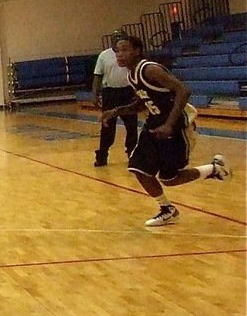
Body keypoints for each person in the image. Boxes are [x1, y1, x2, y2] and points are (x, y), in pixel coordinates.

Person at [101, 34, 232, 226]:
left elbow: (183, 90)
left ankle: (214, 168)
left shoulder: (150, 69)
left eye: (124, 50)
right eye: (117, 51)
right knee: (139, 168)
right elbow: (143, 102)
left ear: (137, 51)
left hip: (176, 126)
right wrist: (116, 111)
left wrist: (169, 124)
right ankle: (167, 209)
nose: (120, 55)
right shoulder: (132, 75)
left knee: (169, 179)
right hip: (154, 125)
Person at [92, 33, 138, 167]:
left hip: (127, 92)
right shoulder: (104, 55)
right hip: (110, 93)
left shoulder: (131, 56)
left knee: (131, 126)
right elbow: (97, 75)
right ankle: (102, 155)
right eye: (116, 39)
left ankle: (132, 155)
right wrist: (95, 94)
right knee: (107, 126)